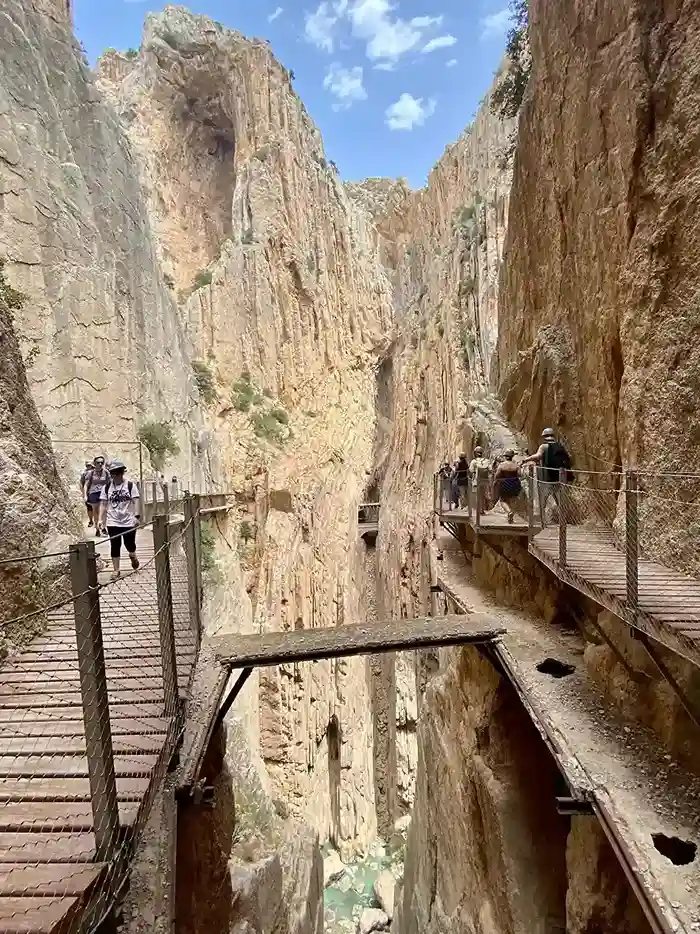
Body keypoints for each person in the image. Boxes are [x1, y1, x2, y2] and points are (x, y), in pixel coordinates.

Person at [99, 460, 141, 581]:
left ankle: (132, 555)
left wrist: (136, 516)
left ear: (122, 473)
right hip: (113, 521)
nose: (116, 476)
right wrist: (101, 520)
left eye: (118, 473)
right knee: (115, 545)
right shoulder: (106, 488)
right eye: (113, 473)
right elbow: (103, 504)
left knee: (129, 544)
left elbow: (136, 501)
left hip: (128, 520)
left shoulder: (130, 485)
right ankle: (116, 570)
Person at [521, 428, 573, 519]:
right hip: (560, 478)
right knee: (560, 501)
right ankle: (563, 521)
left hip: (548, 478)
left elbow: (538, 456)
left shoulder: (544, 446)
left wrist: (525, 460)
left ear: (544, 436)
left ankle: (542, 522)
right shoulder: (561, 446)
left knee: (543, 500)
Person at [491, 449, 522, 523]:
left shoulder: (502, 465)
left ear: (505, 456)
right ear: (512, 456)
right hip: (515, 483)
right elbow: (520, 474)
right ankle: (511, 517)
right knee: (513, 500)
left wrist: (494, 484)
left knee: (503, 500)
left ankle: (509, 512)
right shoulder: (516, 465)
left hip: (504, 484)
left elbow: (497, 476)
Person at [83, 456, 109, 536]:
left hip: (103, 493)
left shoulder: (106, 472)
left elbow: (110, 483)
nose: (100, 464)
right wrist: (85, 495)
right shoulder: (90, 473)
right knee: (96, 511)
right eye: (98, 462)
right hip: (93, 493)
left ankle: (103, 527)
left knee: (104, 511)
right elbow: (86, 485)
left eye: (102, 462)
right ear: (94, 463)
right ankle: (97, 527)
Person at [469, 446, 491, 514]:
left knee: (478, 496)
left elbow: (471, 470)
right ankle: (483, 509)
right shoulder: (487, 461)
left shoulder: (474, 461)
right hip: (485, 481)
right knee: (484, 496)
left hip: (477, 481)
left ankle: (479, 510)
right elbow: (490, 469)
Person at [79, 461, 94, 526]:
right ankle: (91, 521)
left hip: (96, 492)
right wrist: (83, 493)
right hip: (88, 492)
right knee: (89, 507)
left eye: (89, 465)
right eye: (87, 465)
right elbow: (82, 483)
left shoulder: (97, 472)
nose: (88, 467)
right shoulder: (84, 473)